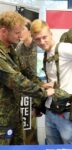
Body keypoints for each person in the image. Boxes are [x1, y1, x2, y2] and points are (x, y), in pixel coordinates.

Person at [0, 11, 54, 145]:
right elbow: (16, 80)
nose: (20, 36)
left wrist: (40, 84)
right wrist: (43, 93)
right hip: (2, 118)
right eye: (17, 33)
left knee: (19, 146)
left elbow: (24, 71)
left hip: (14, 113)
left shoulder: (11, 48)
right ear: (4, 31)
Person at [15, 19, 41, 144]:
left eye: (22, 29)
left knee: (30, 130)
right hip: (24, 93)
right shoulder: (19, 47)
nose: (19, 32)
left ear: (30, 31)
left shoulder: (38, 46)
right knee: (26, 128)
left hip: (38, 92)